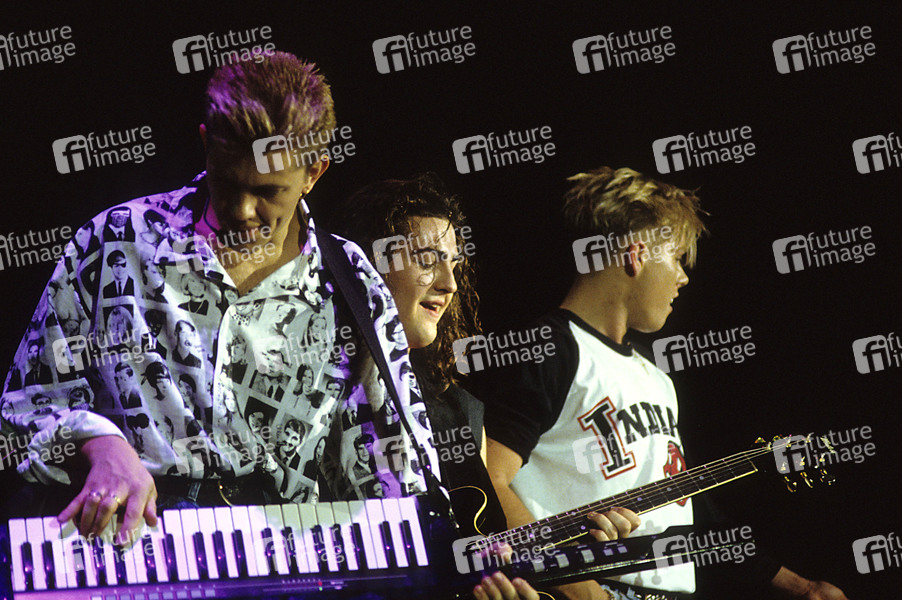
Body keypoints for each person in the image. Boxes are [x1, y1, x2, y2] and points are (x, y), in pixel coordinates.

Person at [0, 53, 440, 549]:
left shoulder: (352, 283)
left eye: (268, 191)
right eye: (227, 182)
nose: (242, 210)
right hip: (127, 541)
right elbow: (20, 412)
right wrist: (99, 444)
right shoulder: (116, 242)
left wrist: (448, 554)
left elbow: (392, 470)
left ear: (314, 173)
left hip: (281, 555)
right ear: (206, 143)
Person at [471, 167, 848, 600]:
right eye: (677, 258)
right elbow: (488, 482)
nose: (683, 277)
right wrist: (585, 591)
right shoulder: (552, 347)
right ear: (635, 255)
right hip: (594, 588)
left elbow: (690, 512)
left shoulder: (657, 380)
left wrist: (802, 587)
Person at [336, 173, 540, 600]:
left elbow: (478, 554)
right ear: (367, 264)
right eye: (428, 260)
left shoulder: (462, 412)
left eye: (454, 264)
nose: (449, 283)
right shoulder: (310, 386)